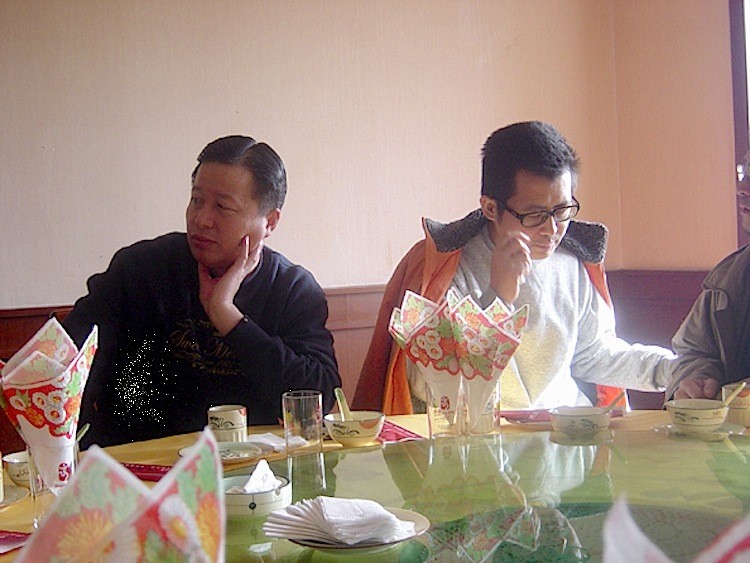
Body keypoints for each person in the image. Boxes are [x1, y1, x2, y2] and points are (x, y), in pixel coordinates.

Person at [353, 121, 673, 414]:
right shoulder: (442, 264)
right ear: (491, 207)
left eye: (563, 210)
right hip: (481, 451)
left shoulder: (573, 260)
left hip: (568, 443)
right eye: (534, 215)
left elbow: (593, 355)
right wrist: (499, 297)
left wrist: (673, 370)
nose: (552, 229)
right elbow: (434, 386)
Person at [64, 135, 341, 447]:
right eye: (197, 200)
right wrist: (84, 451)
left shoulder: (292, 289)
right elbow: (68, 360)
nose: (201, 219)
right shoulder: (140, 269)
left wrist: (227, 315)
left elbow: (317, 396)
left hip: (253, 471)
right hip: (143, 466)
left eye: (223, 206)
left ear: (270, 222)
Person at [667, 159, 750, 400]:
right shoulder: (730, 279)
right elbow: (694, 352)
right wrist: (696, 382)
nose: (742, 188)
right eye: (744, 172)